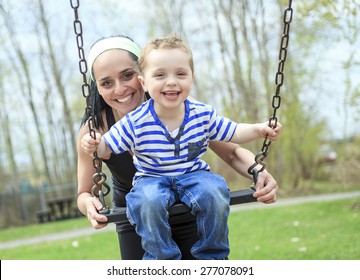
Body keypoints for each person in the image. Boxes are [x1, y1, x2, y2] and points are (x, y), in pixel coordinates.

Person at [80, 35, 282, 260]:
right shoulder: (94, 128)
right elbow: (84, 191)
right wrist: (89, 202)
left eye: (127, 75)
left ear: (140, 77)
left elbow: (232, 149)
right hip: (140, 217)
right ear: (97, 87)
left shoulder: (183, 107)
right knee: (149, 202)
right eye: (106, 82)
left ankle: (211, 255)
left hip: (193, 206)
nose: (120, 89)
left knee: (212, 190)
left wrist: (258, 170)